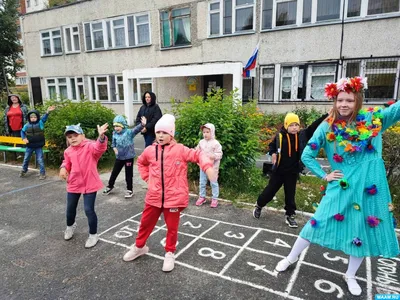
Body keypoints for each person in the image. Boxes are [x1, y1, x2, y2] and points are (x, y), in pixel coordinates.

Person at [275, 76, 400, 297]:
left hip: (368, 190)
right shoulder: (326, 126)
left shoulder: (374, 120)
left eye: (349, 100)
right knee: (316, 222)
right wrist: (325, 175)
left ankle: (350, 275)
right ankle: (290, 258)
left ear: (358, 101)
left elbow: (397, 109)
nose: (344, 104)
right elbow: (307, 154)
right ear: (334, 101)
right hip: (340, 186)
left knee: (360, 232)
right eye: (340, 99)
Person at [123, 114, 215, 272]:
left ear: (171, 134)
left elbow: (198, 154)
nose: (160, 135)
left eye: (164, 132)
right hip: (154, 196)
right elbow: (141, 162)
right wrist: (148, 178)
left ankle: (170, 253)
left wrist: (207, 167)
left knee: (172, 227)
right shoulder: (150, 151)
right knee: (145, 223)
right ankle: (139, 247)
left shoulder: (180, 150)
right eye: (158, 132)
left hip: (174, 198)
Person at [253, 111, 329, 227]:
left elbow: (314, 126)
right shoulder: (280, 136)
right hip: (279, 171)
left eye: (296, 125)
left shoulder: (302, 135)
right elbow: (272, 146)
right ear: (286, 125)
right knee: (269, 191)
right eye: (291, 125)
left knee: (290, 194)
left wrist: (327, 115)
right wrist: (273, 153)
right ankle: (259, 205)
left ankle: (290, 215)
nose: (294, 128)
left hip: (292, 171)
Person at [59, 123, 109, 249]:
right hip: (74, 183)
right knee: (70, 209)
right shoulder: (68, 151)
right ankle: (70, 226)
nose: (73, 138)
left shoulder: (90, 146)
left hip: (89, 182)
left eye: (76, 135)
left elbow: (99, 148)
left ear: (83, 136)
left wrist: (101, 137)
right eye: (70, 137)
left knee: (88, 210)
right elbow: (66, 162)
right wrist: (64, 168)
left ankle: (93, 235)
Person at [103, 115, 146, 198]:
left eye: (118, 126)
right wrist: (115, 149)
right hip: (119, 157)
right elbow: (113, 144)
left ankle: (129, 190)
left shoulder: (129, 132)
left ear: (123, 125)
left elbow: (136, 129)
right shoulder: (114, 134)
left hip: (129, 157)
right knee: (114, 172)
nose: (116, 128)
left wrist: (142, 125)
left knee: (128, 174)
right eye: (115, 126)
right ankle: (110, 186)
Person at [20, 106, 56, 179]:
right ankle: (24, 170)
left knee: (40, 159)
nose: (33, 118)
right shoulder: (26, 125)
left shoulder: (40, 123)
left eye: (35, 117)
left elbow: (44, 118)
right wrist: (24, 138)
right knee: (26, 158)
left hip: (38, 146)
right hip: (29, 146)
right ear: (29, 118)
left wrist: (47, 112)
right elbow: (22, 132)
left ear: (37, 117)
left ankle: (42, 173)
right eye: (31, 117)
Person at [195, 123, 223, 208]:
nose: (205, 134)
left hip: (212, 167)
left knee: (213, 182)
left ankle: (214, 198)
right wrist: (197, 157)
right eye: (204, 132)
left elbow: (220, 154)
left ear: (212, 132)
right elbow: (197, 151)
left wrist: (213, 156)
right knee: (202, 182)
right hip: (203, 167)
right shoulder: (201, 142)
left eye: (207, 132)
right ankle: (202, 197)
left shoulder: (216, 143)